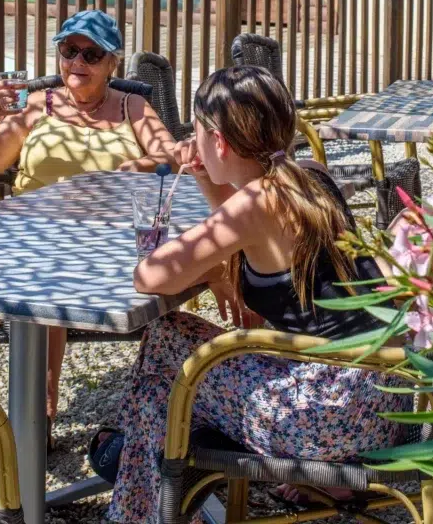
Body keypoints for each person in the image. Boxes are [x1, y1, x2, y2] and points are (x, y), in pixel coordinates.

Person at [90, 66, 412, 523]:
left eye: (197, 132)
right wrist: (206, 178)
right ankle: (152, 482)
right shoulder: (311, 177)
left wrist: (167, 243)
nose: (192, 141)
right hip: (384, 402)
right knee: (164, 390)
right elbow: (242, 230)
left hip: (331, 421)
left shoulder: (259, 201)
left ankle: (138, 477)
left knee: (165, 343)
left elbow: (151, 277)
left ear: (218, 141)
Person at [0, 9, 176, 449]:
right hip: (34, 235)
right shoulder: (38, 105)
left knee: (46, 271)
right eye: (69, 50)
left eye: (91, 54)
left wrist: (139, 166)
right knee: (44, 274)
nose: (77, 62)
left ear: (113, 62)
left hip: (103, 242)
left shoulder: (132, 107)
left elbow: (173, 157)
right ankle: (41, 413)